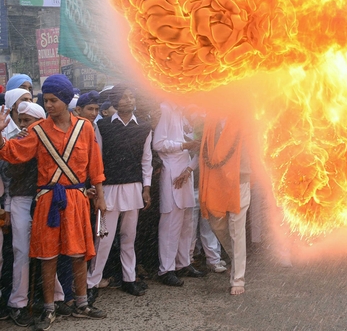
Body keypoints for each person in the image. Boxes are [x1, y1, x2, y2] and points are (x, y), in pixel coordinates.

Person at [0, 75, 107, 330]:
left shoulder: (85, 128)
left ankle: (81, 304)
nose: (48, 105)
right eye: (45, 100)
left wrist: (100, 196)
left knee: (79, 253)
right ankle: (49, 309)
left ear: (66, 100)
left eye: (53, 100)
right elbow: (13, 153)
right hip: (48, 200)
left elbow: (95, 165)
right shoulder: (37, 131)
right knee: (48, 255)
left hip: (77, 198)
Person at [88, 85, 153, 301]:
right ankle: (92, 281)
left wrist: (146, 188)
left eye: (131, 94)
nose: (130, 98)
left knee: (129, 237)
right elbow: (96, 159)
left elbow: (146, 160)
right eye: (125, 96)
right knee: (103, 237)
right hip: (108, 190)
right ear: (116, 100)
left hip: (133, 189)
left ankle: (129, 278)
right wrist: (98, 192)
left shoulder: (143, 127)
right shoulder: (103, 126)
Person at [153, 102, 205, 287]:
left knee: (186, 223)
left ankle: (183, 263)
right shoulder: (166, 109)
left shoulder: (187, 113)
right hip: (172, 173)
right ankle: (166, 269)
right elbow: (158, 143)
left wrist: (190, 167)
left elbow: (197, 145)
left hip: (185, 171)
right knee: (171, 223)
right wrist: (184, 145)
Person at [199, 115, 253, 295]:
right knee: (217, 225)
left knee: (236, 229)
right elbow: (205, 150)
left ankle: (238, 278)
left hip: (240, 179)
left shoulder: (244, 119)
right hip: (216, 180)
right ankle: (236, 258)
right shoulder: (211, 122)